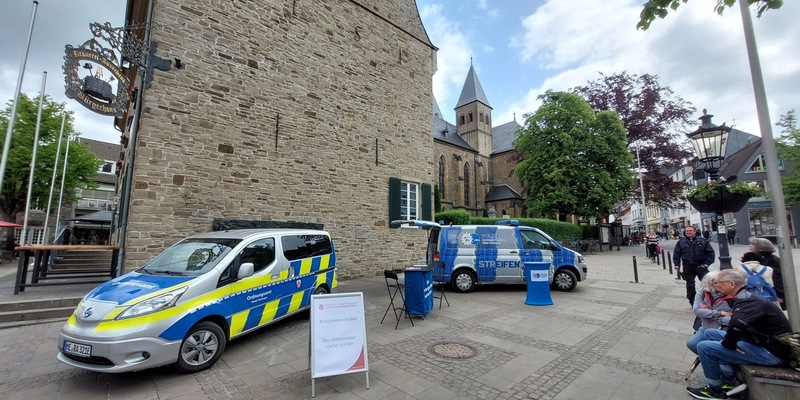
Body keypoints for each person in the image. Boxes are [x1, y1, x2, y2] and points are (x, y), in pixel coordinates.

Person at [687, 269, 791, 399]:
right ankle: (729, 378)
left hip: (771, 352)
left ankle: (715, 390)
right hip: (758, 341)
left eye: (720, 282)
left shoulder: (747, 301)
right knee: (709, 333)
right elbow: (737, 324)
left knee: (704, 347)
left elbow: (737, 325)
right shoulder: (745, 296)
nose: (717, 285)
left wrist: (728, 344)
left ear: (731, 284)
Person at [687, 271, 732, 355]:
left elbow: (733, 317)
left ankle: (711, 358)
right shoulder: (702, 293)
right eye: (715, 283)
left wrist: (708, 312)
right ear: (710, 284)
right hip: (705, 326)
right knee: (692, 344)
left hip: (722, 328)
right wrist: (720, 313)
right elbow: (697, 311)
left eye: (721, 282)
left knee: (708, 347)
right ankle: (706, 357)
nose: (719, 285)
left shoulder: (730, 295)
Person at [673, 226, 715, 306]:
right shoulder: (681, 242)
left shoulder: (702, 241)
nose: (688, 232)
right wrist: (677, 265)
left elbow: (710, 253)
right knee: (690, 285)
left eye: (690, 231)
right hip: (687, 266)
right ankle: (693, 302)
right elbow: (676, 254)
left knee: (707, 283)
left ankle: (710, 300)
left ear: (695, 231)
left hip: (700, 266)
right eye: (687, 231)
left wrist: (706, 264)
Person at [748, 237, 786, 310]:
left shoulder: (773, 260)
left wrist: (779, 295)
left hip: (770, 293)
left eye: (752, 244)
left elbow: (777, 278)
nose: (749, 246)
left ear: (760, 246)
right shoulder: (758, 258)